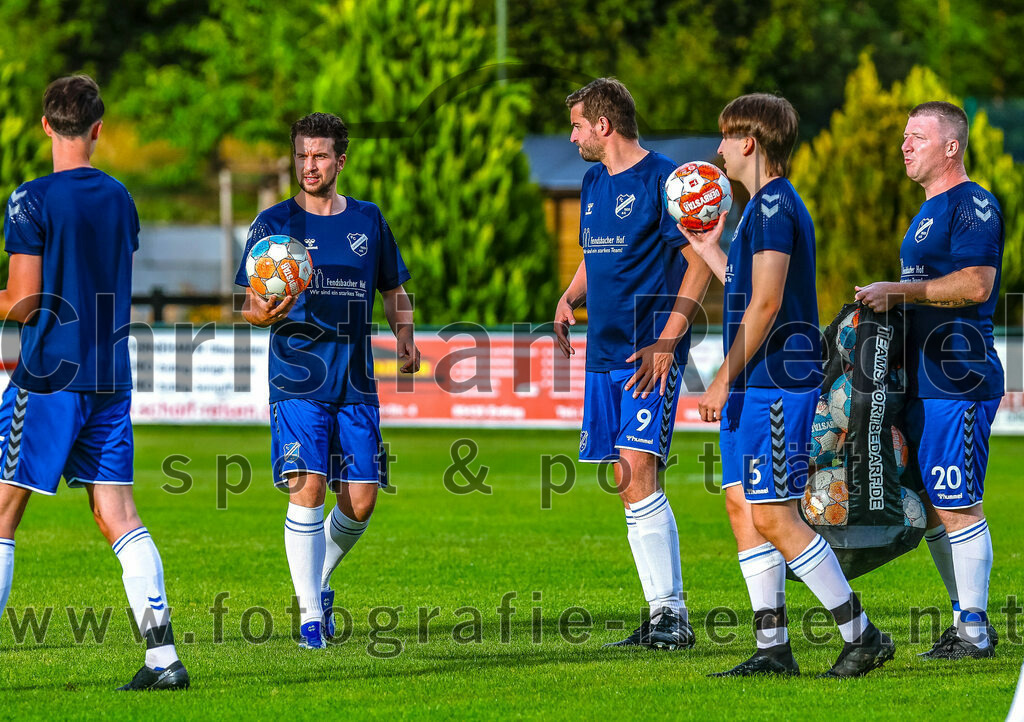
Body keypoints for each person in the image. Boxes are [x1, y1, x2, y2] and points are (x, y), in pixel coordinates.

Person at [683, 93, 893, 677]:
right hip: (756, 383)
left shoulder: (775, 205)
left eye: (726, 137)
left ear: (749, 142)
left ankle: (862, 635)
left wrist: (722, 378)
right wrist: (710, 250)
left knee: (774, 514)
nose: (719, 149)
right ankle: (772, 649)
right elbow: (748, 288)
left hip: (775, 380)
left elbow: (768, 303)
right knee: (742, 506)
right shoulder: (759, 208)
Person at [0, 75, 188, 690]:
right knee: (119, 515)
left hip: (48, 378)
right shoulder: (120, 199)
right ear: (98, 129)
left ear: (45, 125)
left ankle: (164, 662)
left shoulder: (31, 199)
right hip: (108, 376)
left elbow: (24, 302)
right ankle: (163, 660)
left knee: (2, 514)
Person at [238, 112, 418, 649]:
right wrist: (261, 313)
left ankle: (316, 582)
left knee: (361, 501)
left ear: (340, 160)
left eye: (318, 155)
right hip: (297, 376)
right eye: (301, 155)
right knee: (308, 486)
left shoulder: (368, 219)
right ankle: (310, 620)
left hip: (356, 379)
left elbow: (393, 289)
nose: (309, 165)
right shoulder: (273, 224)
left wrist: (405, 336)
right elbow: (248, 304)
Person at [554, 78, 713, 649]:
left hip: (649, 354)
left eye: (577, 125)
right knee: (627, 479)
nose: (572, 137)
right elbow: (593, 252)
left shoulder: (665, 180)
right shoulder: (593, 180)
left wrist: (669, 341)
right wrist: (569, 296)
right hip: (603, 353)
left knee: (638, 471)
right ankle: (662, 613)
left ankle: (672, 615)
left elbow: (699, 261)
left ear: (604, 125)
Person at [856, 101, 1003, 660]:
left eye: (917, 136)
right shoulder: (926, 212)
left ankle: (975, 631)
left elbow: (977, 284)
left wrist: (900, 291)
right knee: (933, 501)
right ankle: (965, 622)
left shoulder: (972, 204)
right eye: (904, 136)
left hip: (958, 376)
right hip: (923, 379)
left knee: (958, 500)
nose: (904, 145)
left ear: (951, 147)